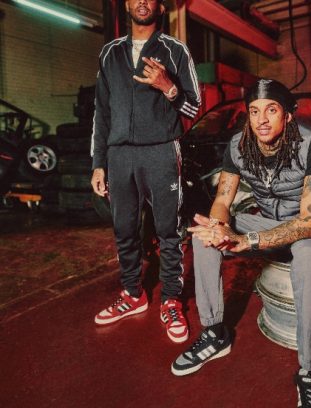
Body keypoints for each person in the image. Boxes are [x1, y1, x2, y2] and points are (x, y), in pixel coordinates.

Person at [172, 79, 311, 407]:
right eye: (254, 111)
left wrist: (247, 240)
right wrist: (219, 227)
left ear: (287, 115)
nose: (261, 119)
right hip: (266, 224)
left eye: (271, 110)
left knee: (307, 257)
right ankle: (215, 333)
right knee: (206, 234)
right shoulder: (238, 146)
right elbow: (223, 200)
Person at [90, 0, 201, 344]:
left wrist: (168, 86)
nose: (142, 1)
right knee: (124, 229)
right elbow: (101, 112)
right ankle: (132, 294)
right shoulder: (110, 53)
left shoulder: (175, 50)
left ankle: (171, 300)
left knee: (169, 231)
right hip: (119, 155)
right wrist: (98, 162)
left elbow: (194, 107)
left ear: (160, 6)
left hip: (161, 151)